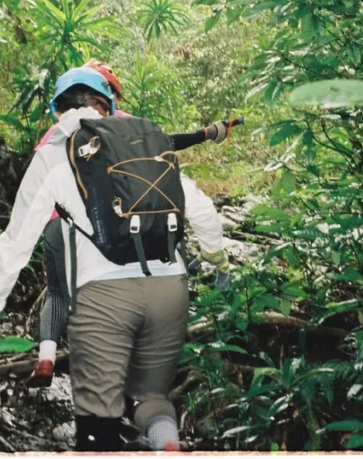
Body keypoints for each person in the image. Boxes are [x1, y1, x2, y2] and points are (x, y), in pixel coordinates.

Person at [0, 67, 230, 451]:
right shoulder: (145, 141)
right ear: (110, 105)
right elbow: (203, 211)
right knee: (151, 400)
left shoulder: (55, 150)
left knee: (97, 422)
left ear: (58, 109)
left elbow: (17, 241)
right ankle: (167, 443)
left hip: (103, 297)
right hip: (170, 289)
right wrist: (218, 264)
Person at [26, 60, 233, 389]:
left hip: (63, 227)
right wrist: (207, 134)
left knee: (58, 292)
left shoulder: (56, 132)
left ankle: (47, 357)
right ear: (108, 96)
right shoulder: (124, 125)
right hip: (119, 224)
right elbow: (165, 143)